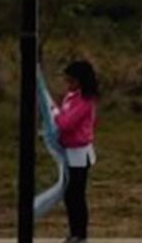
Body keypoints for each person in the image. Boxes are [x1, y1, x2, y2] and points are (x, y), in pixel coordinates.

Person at [54, 61, 99, 243]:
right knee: (70, 194)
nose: (67, 83)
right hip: (70, 150)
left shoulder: (85, 100)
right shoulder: (71, 97)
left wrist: (55, 115)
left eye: (71, 80)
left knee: (76, 195)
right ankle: (75, 232)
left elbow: (66, 123)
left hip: (79, 152)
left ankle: (80, 235)